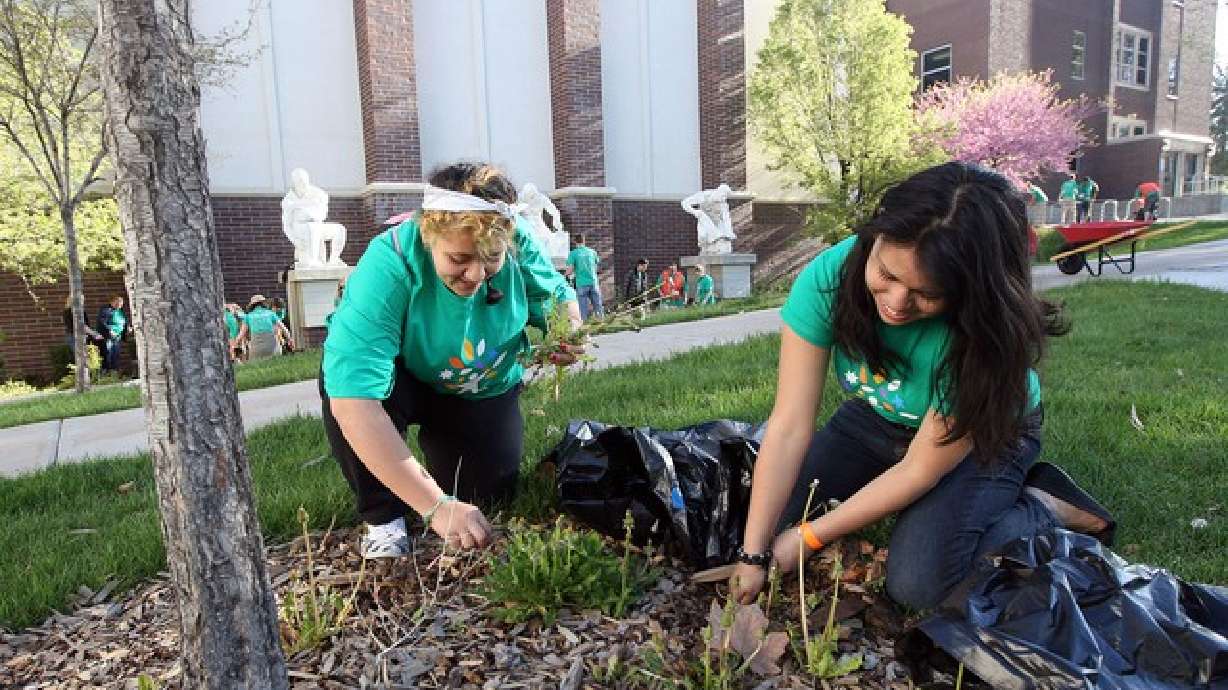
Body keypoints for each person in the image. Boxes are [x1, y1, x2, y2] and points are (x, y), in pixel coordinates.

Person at [728, 162, 1115, 612]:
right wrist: (753, 553)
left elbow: (919, 470)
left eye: (926, 292)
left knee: (919, 584)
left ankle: (1044, 506)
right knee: (768, 516)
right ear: (874, 241)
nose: (896, 303)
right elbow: (791, 424)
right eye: (887, 276)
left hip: (985, 436)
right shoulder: (829, 277)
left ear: (971, 288)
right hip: (880, 417)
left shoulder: (984, 337)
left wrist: (810, 537)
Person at [320, 162, 582, 559]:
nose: (476, 275)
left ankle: (432, 474)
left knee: (485, 494)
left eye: (490, 259)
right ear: (429, 235)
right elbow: (354, 399)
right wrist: (435, 507)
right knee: (349, 396)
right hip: (401, 380)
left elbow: (559, 298)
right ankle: (383, 519)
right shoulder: (387, 265)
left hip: (479, 384)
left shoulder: (517, 242)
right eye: (459, 258)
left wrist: (566, 333)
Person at [239, 294, 293, 360]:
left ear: (252, 306)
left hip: (256, 349)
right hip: (272, 347)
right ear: (264, 303)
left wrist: (234, 345)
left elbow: (241, 334)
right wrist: (290, 340)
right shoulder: (271, 314)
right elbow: (284, 329)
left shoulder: (248, 316)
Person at [566, 234, 603, 320]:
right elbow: (596, 266)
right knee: (598, 306)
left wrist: (565, 275)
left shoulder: (573, 253)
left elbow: (570, 269)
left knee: (583, 309)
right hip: (593, 282)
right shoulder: (592, 252)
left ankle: (584, 328)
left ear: (575, 242)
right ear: (584, 241)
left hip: (581, 283)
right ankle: (601, 323)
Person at [96, 294, 127, 374]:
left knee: (116, 354)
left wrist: (127, 327)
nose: (119, 306)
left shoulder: (119, 310)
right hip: (108, 337)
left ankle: (115, 371)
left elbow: (124, 320)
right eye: (118, 304)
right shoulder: (106, 310)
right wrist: (110, 330)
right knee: (108, 354)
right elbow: (102, 322)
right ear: (112, 302)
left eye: (121, 304)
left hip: (117, 336)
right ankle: (107, 372)